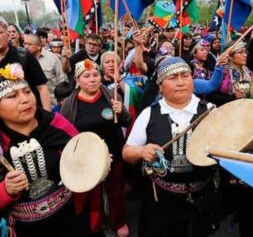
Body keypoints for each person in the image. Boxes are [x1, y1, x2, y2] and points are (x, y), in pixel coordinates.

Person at [123, 57, 219, 237]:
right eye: (173, 77)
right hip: (160, 200)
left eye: (185, 75)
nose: (181, 82)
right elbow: (127, 152)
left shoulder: (211, 111)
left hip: (202, 198)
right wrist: (141, 151)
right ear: (160, 85)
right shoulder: (149, 114)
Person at [0, 64, 90, 236]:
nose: (25, 99)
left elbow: (83, 158)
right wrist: (6, 190)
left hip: (69, 218)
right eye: (12, 96)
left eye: (27, 92)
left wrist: (92, 162)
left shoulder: (57, 125)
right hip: (24, 229)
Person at [61, 59, 131, 237]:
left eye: (95, 74)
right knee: (92, 193)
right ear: (77, 80)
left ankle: (118, 221)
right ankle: (96, 222)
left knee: (115, 189)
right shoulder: (70, 103)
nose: (92, 79)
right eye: (86, 76)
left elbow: (126, 121)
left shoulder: (111, 94)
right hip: (87, 158)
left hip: (114, 153)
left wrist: (121, 111)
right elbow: (65, 132)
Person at [0, 17, 51, 111]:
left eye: (0, 33)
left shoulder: (23, 56)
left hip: (30, 112)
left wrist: (48, 117)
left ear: (7, 34)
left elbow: (42, 88)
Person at [24, 34, 67, 107]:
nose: (26, 47)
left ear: (39, 46)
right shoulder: (22, 60)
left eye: (29, 44)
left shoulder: (52, 58)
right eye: (25, 44)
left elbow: (62, 80)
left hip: (53, 104)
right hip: (32, 105)